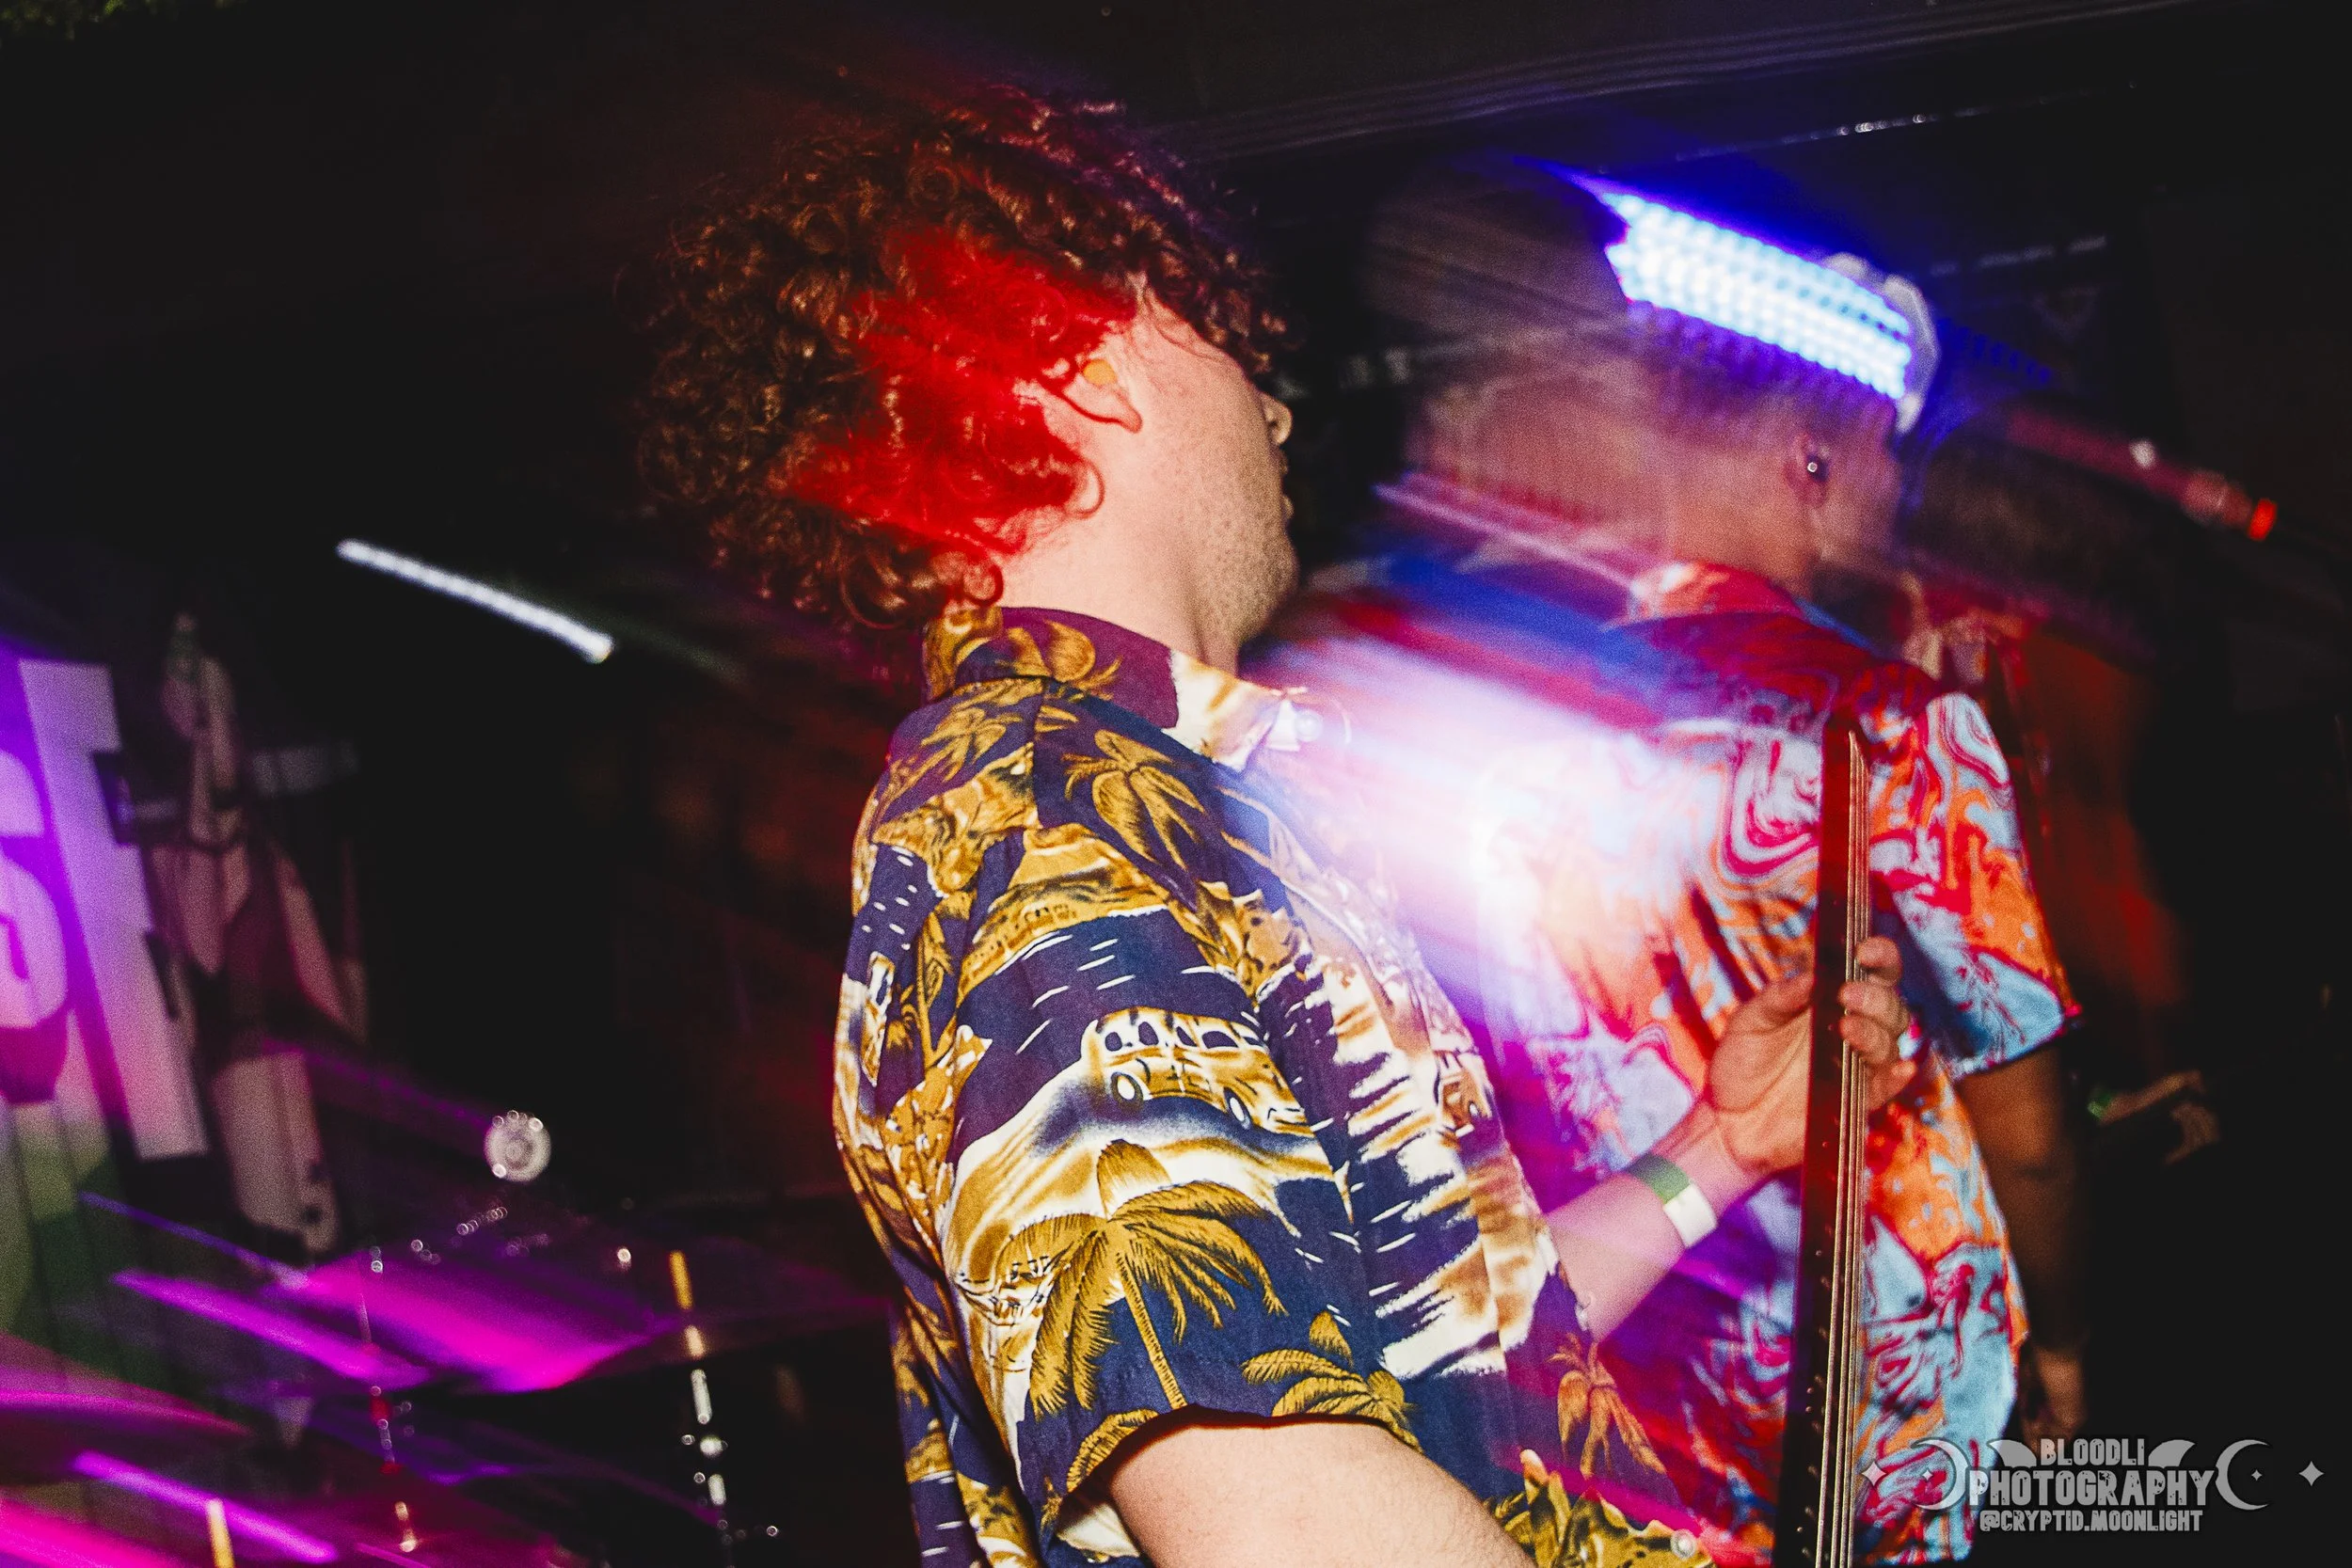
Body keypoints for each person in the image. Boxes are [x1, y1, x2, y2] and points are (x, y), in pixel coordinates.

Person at [640, 83, 1914, 1568]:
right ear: (1084, 355)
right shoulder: (1045, 817)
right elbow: (1277, 1515)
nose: (1277, 402)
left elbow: (1442, 1364)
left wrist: (1718, 1148)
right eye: (1229, 344)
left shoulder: (1151, 805)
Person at [1333, 169, 2088, 1564]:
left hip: (1636, 1417)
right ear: (1815, 452)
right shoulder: (1901, 724)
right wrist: (2080, 1345)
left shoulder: (1496, 728)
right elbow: (2026, 1124)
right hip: (1902, 1429)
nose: (1895, 492)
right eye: (1885, 452)